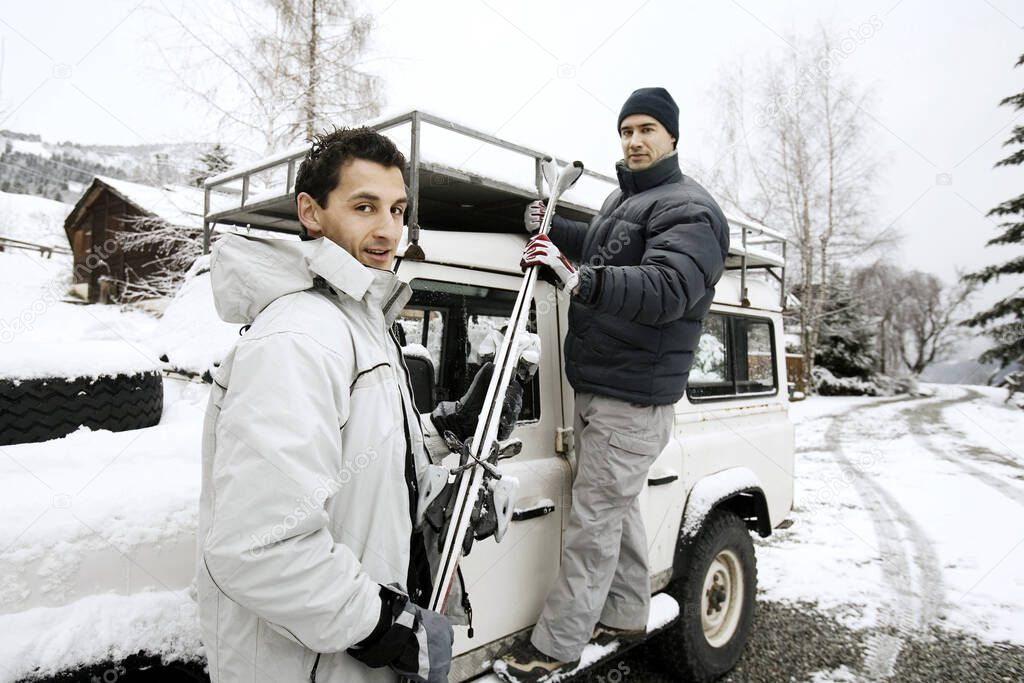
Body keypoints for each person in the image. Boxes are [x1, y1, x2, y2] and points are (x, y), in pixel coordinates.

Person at [195, 127, 453, 683]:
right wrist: (385, 628)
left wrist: (436, 476)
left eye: (398, 209)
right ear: (310, 212)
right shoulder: (300, 338)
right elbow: (259, 545)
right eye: (365, 207)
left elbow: (363, 467)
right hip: (305, 666)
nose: (389, 231)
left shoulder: (363, 324)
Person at [497, 87, 731, 681]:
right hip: (601, 389)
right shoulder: (626, 200)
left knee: (592, 523)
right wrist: (553, 228)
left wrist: (576, 277)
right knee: (612, 510)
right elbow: (604, 245)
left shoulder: (692, 211)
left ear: (673, 137)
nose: (634, 140)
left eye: (648, 129)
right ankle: (626, 611)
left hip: (633, 401)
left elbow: (665, 290)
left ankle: (557, 644)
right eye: (626, 130)